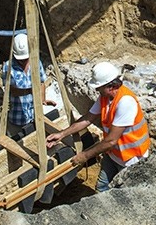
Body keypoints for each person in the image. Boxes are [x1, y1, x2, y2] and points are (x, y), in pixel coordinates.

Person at [46, 62, 149, 192]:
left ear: (111, 86)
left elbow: (111, 141)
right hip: (113, 154)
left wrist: (84, 155)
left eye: (99, 87)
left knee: (126, 194)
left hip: (131, 159)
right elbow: (88, 118)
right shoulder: (105, 97)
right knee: (101, 187)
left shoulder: (125, 102)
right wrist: (61, 134)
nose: (96, 90)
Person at [1, 32, 56, 136]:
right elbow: (13, 91)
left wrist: (42, 99)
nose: (23, 61)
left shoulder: (36, 62)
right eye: (20, 59)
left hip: (34, 116)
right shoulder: (8, 67)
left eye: (25, 59)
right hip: (17, 119)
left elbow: (41, 82)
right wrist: (32, 90)